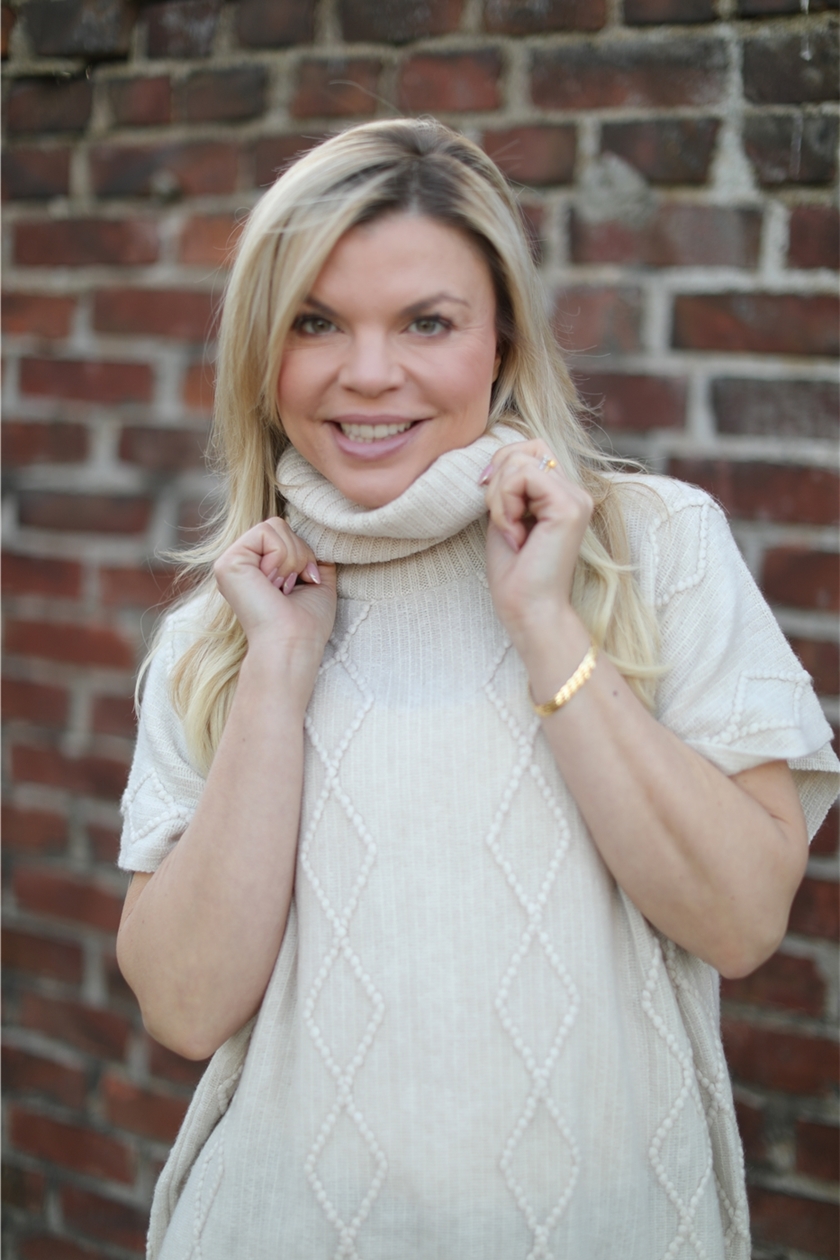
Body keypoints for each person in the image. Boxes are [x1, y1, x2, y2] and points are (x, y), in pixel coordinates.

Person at [116, 118, 838, 1260]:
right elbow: (184, 1006)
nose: (368, 372)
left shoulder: (651, 548)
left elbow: (742, 919)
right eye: (315, 321)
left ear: (499, 339)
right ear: (262, 353)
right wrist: (277, 677)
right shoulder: (223, 629)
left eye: (427, 322)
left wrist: (544, 622)